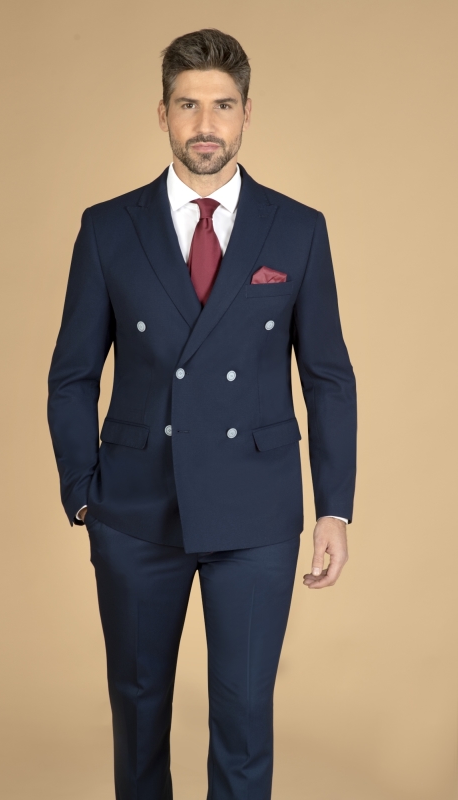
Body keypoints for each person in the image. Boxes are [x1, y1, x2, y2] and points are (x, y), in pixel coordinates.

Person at [47, 28, 357, 800]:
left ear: (247, 112)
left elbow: (326, 377)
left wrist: (334, 508)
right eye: (188, 105)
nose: (205, 124)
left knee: (244, 720)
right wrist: (83, 491)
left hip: (255, 512)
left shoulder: (297, 228)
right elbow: (72, 375)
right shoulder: (108, 227)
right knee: (138, 713)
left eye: (221, 105)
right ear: (162, 114)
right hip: (134, 509)